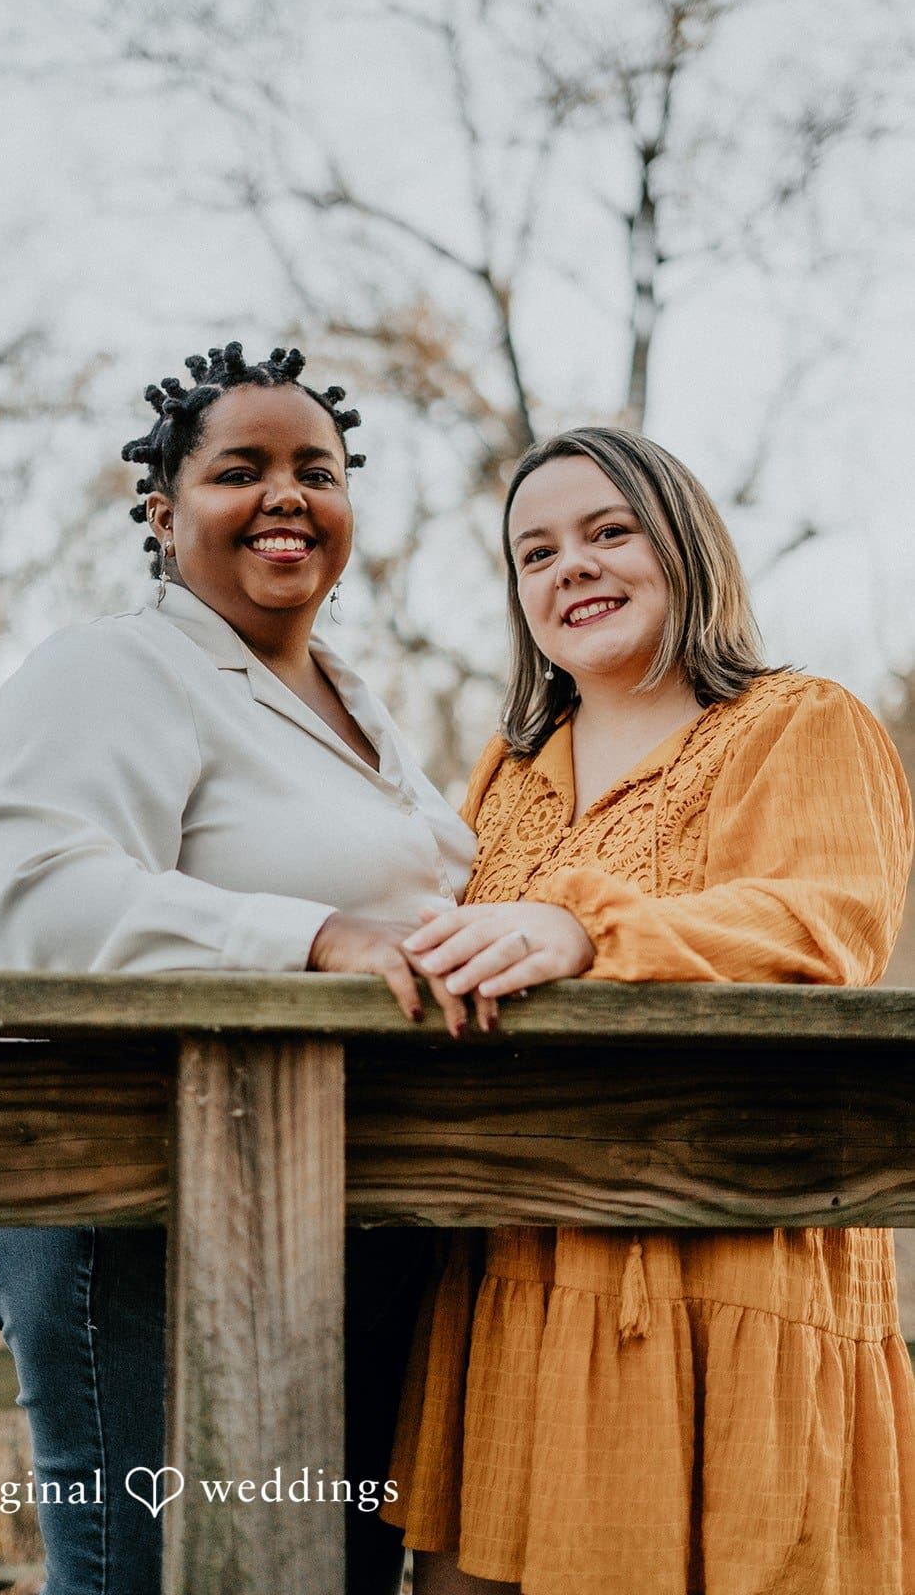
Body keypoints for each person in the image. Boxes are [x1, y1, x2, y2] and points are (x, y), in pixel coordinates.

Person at [0, 342, 495, 1595]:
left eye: (318, 468)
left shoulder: (358, 713)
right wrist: (311, 937)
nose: (286, 494)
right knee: (148, 1576)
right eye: (238, 469)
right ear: (161, 512)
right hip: (142, 1207)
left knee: (335, 1576)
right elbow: (39, 899)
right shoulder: (112, 668)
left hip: (348, 1206)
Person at [380, 427, 915, 1595]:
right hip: (509, 1274)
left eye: (605, 531)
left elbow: (824, 924)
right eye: (533, 552)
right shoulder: (508, 773)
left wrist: (582, 926)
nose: (567, 566)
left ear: (684, 547)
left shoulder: (798, 720)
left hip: (728, 1274)